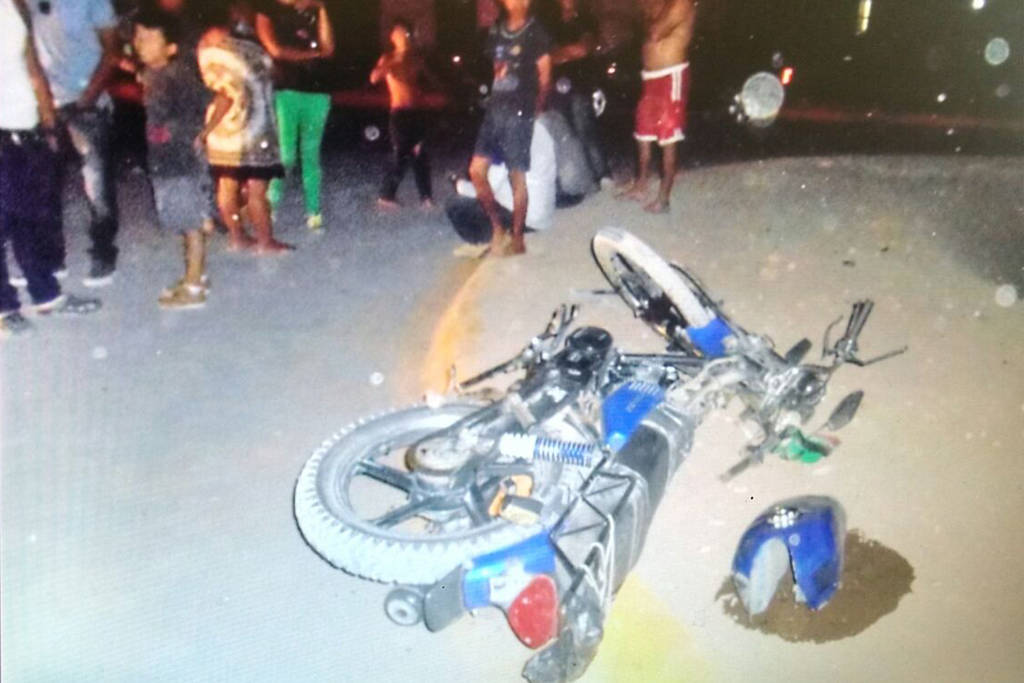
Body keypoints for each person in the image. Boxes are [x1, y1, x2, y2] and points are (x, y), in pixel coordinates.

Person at [2, 0, 100, 335]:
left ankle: (46, 295)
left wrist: (48, 120)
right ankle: (3, 308)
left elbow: (31, 64)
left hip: (26, 125)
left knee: (31, 218)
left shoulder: (14, 5)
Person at [29, 0, 122, 287]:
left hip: (86, 103)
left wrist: (88, 98)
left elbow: (112, 50)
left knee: (97, 186)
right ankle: (51, 257)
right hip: (46, 104)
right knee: (44, 186)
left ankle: (103, 253)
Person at [132, 8, 211, 308]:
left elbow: (219, 98)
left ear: (171, 47)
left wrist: (202, 134)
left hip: (181, 163)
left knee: (191, 225)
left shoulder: (179, 75)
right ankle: (195, 275)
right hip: (164, 162)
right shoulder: (155, 75)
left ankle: (194, 287)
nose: (140, 43)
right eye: (138, 37)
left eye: (149, 38)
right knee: (183, 222)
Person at [198, 1, 291, 254]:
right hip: (254, 124)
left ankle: (237, 237)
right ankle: (265, 241)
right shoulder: (246, 47)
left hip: (221, 126)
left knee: (227, 185)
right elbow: (272, 74)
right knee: (257, 189)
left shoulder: (203, 45)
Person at [447, 109, 594, 253]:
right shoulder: (539, 129)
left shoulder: (505, 141)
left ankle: (483, 240)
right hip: (545, 212)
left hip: (526, 218)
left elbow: (487, 188)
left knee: (455, 205)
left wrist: (459, 184)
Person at [470, 0, 552, 256]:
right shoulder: (497, 30)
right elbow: (495, 68)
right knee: (476, 171)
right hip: (495, 111)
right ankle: (498, 228)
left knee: (516, 176)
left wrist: (535, 109)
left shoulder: (535, 31)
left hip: (519, 112)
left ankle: (517, 237)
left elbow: (545, 76)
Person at [256, 0, 334, 232]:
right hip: (286, 90)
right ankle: (270, 207)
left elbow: (329, 48)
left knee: (311, 154)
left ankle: (314, 211)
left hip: (318, 92)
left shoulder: (313, 12)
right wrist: (314, 54)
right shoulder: (269, 10)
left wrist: (322, 9)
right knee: (286, 154)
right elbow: (276, 50)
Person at [617, 0, 695, 213]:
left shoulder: (681, 3)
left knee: (668, 137)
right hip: (650, 77)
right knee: (643, 133)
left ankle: (663, 199)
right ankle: (640, 186)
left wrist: (644, 14)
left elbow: (654, 33)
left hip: (671, 76)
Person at [370, 18, 437, 210]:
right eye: (397, 32)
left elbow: (428, 80)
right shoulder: (388, 58)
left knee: (420, 154)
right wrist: (393, 61)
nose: (401, 36)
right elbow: (374, 78)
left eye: (404, 32)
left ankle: (426, 197)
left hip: (417, 112)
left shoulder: (416, 58)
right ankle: (386, 196)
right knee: (401, 155)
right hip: (399, 113)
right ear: (392, 37)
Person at [546, 0, 611, 190]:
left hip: (581, 84)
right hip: (556, 86)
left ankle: (603, 174)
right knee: (562, 134)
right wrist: (567, 52)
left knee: (586, 129)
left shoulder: (585, 19)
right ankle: (576, 179)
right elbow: (545, 56)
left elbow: (583, 49)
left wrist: (560, 54)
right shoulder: (551, 21)